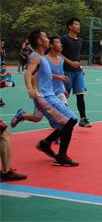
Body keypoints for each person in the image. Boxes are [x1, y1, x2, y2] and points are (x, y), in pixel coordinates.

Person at [24, 30, 79, 166]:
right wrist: (30, 89)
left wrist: (61, 88)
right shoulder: (36, 57)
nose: (48, 39)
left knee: (67, 122)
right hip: (45, 97)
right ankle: (61, 156)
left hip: (50, 95)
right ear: (39, 41)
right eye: (45, 37)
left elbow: (37, 76)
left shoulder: (43, 58)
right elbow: (28, 73)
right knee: (70, 120)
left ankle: (46, 144)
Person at [61, 17, 91, 127]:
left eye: (79, 24)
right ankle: (61, 118)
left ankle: (83, 119)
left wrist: (80, 67)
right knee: (64, 96)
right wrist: (70, 62)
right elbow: (58, 54)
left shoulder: (80, 40)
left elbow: (76, 57)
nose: (79, 26)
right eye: (76, 24)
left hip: (78, 72)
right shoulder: (64, 39)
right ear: (70, 26)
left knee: (80, 95)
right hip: (66, 71)